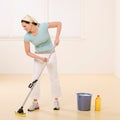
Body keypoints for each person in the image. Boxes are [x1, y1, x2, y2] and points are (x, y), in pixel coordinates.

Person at [21, 15, 62, 111]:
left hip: (51, 54)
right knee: (35, 79)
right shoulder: (27, 37)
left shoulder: (43, 26)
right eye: (22, 26)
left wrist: (57, 38)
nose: (23, 28)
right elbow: (27, 52)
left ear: (30, 23)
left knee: (54, 77)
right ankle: (35, 103)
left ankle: (56, 100)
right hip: (38, 56)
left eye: (24, 26)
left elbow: (58, 24)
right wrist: (40, 58)